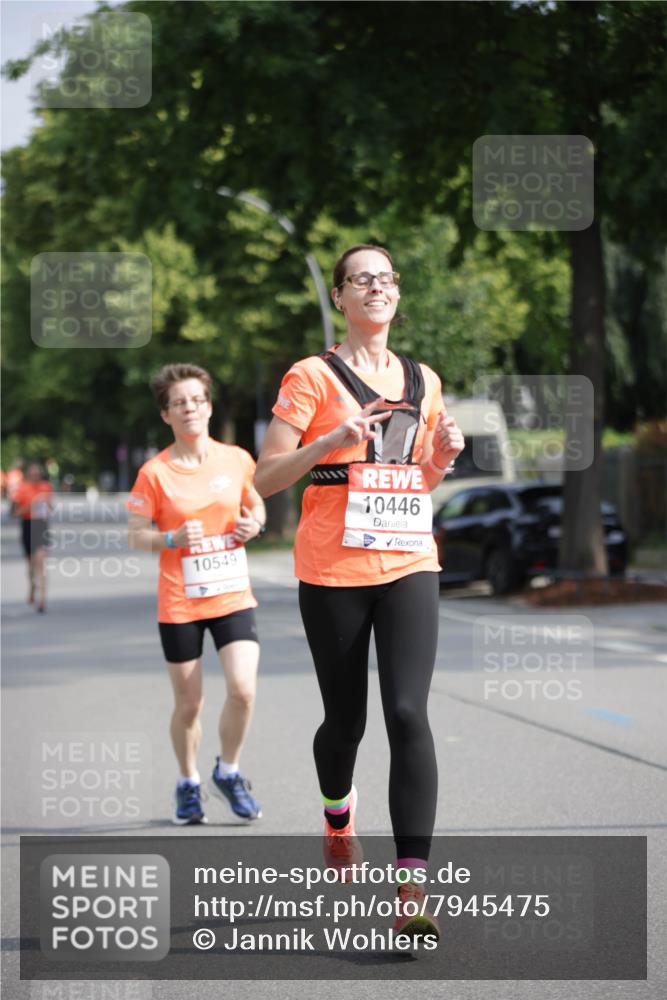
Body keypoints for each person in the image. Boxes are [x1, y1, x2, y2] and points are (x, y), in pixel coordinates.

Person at [255, 244, 464, 940]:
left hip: (408, 561)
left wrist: (441, 457)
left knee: (407, 714)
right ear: (340, 297)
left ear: (396, 296)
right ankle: (337, 815)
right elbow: (265, 478)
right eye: (361, 279)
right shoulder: (310, 377)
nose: (376, 288)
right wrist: (330, 442)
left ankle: (411, 891)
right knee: (346, 723)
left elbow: (415, 482)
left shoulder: (423, 379)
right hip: (332, 570)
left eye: (386, 278)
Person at [127, 363, 266, 826]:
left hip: (231, 595)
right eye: (178, 403)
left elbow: (254, 500)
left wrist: (255, 523)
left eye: (197, 400)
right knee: (189, 705)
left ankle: (228, 770)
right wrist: (170, 540)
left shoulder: (236, 458)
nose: (189, 408)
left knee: (243, 691)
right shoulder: (153, 473)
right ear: (166, 415)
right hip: (180, 600)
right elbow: (135, 534)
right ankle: (188, 782)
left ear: (208, 407)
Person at [12, 461, 52, 613]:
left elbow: (50, 507)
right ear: (28, 475)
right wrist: (30, 506)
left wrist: (46, 506)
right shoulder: (22, 489)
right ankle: (32, 586)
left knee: (41, 563)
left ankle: (42, 600)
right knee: (30, 566)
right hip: (27, 525)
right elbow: (14, 513)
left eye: (37, 474)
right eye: (32, 474)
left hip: (41, 526)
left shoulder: (46, 487)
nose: (35, 476)